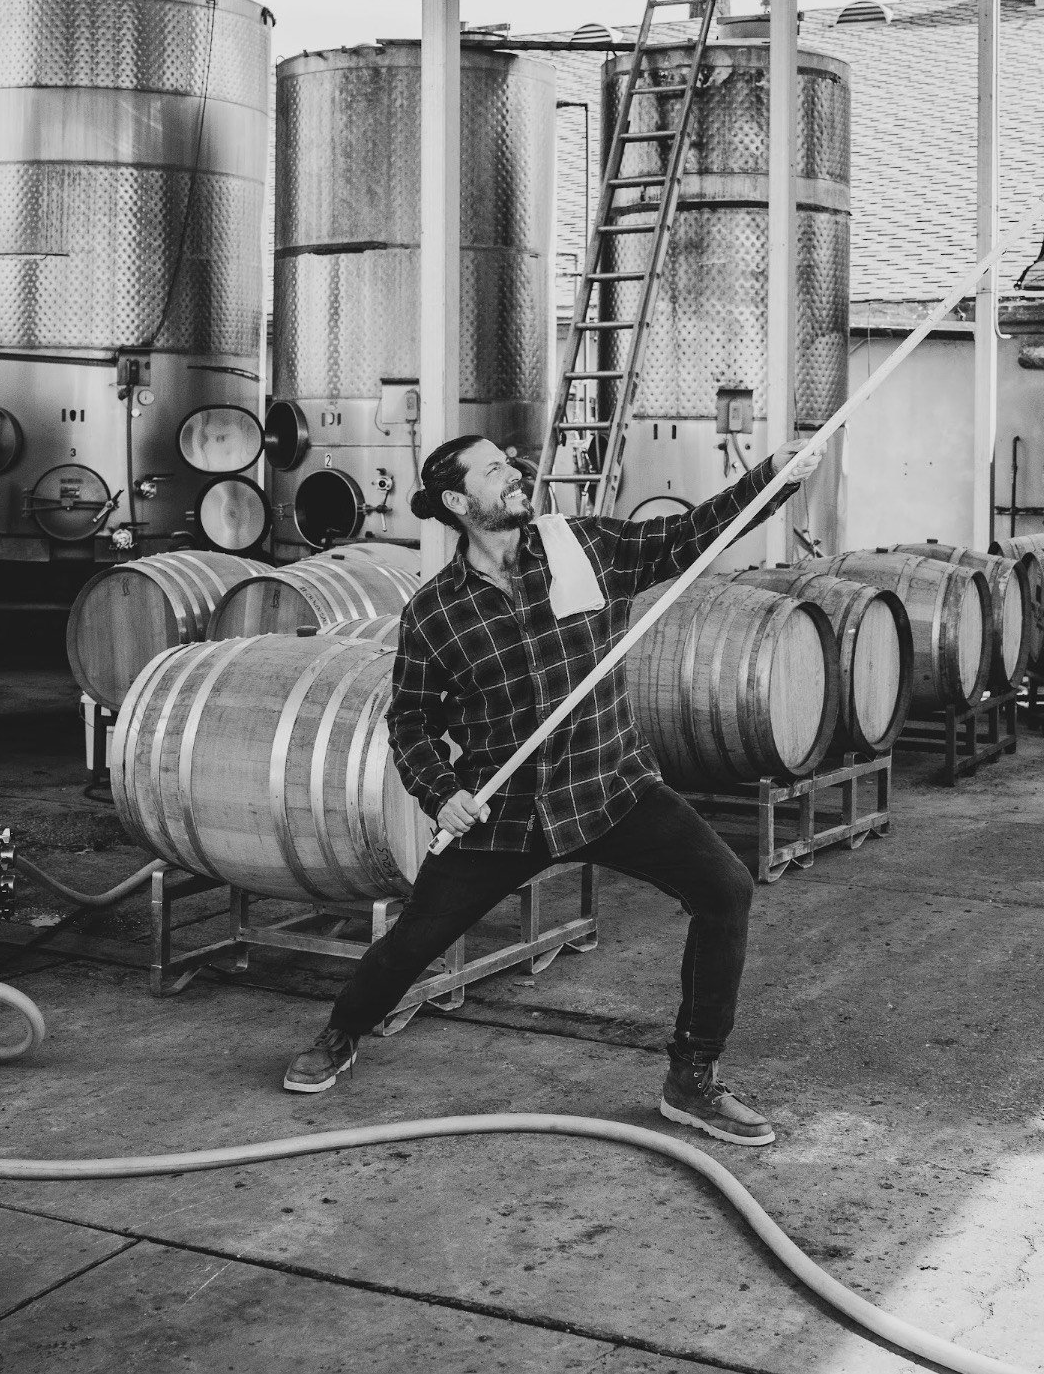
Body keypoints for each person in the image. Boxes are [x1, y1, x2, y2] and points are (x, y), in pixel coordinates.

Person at [283, 432, 819, 1146]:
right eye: (495, 468)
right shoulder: (436, 613)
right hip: (505, 814)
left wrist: (772, 478)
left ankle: (690, 1079)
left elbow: (688, 534)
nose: (515, 473)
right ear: (455, 501)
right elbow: (410, 719)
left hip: (609, 782)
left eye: (510, 463)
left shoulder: (577, 547)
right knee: (415, 939)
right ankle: (342, 1032)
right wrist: (439, 791)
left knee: (725, 890)